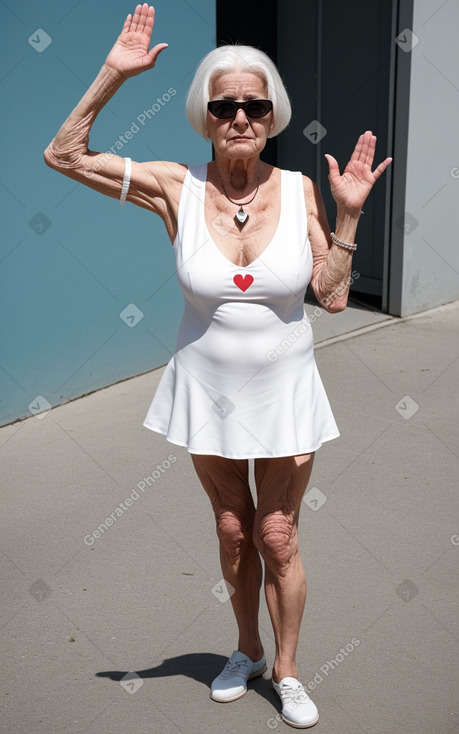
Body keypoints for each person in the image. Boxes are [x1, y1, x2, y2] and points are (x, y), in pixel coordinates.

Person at [44, 4, 392, 728]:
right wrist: (113, 75)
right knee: (233, 530)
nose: (240, 114)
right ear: (208, 114)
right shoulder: (177, 186)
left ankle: (289, 671)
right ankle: (245, 650)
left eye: (253, 103)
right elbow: (64, 154)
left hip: (285, 387)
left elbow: (328, 298)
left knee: (277, 535)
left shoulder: (299, 189)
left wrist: (349, 215)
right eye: (225, 103)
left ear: (271, 114)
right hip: (208, 389)